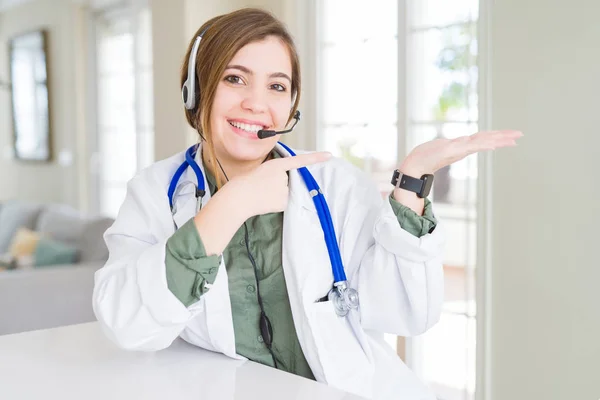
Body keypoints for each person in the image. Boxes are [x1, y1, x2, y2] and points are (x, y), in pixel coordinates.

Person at [92, 8, 522, 400]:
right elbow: (127, 324)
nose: (256, 104)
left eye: (277, 86)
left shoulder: (333, 185)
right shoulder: (154, 192)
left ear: (291, 105)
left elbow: (406, 311)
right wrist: (229, 207)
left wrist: (411, 183)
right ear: (195, 89)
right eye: (234, 78)